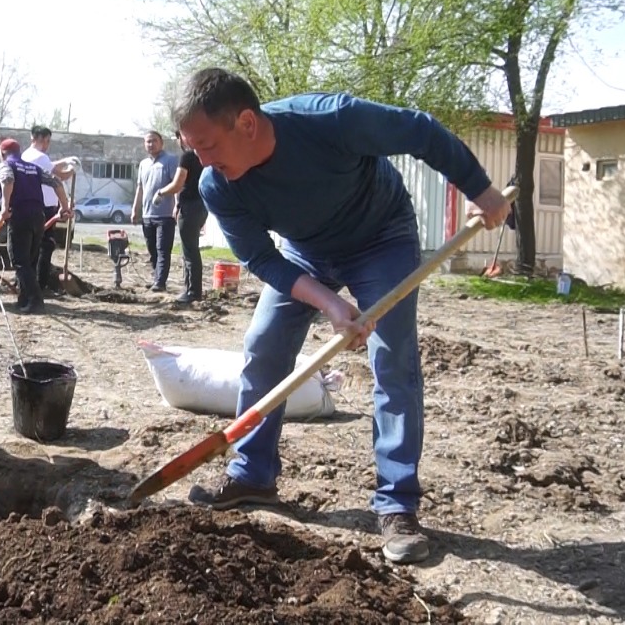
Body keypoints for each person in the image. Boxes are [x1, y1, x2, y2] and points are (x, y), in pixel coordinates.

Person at [174, 68, 510, 565]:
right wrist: (330, 304)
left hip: (382, 238)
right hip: (305, 254)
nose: (201, 161)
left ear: (246, 123)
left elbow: (420, 130)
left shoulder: (330, 120)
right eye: (192, 149)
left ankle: (397, 504)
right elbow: (263, 260)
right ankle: (252, 473)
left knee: (392, 359)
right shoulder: (218, 186)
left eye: (206, 146)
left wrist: (482, 191)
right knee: (264, 346)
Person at [0, 138, 72, 314]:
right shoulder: (33, 168)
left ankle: (35, 301)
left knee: (20, 261)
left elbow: (7, 180)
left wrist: (5, 207)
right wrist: (64, 208)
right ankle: (24, 300)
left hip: (19, 216)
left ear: (2, 153)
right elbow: (57, 182)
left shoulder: (6, 165)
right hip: (38, 217)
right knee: (30, 261)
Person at [22, 125, 78, 292]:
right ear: (44, 140)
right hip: (46, 208)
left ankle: (28, 284)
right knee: (45, 246)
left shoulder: (26, 155)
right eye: (47, 141)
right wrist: (73, 169)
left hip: (30, 206)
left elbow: (49, 165)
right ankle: (40, 286)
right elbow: (60, 177)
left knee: (32, 247)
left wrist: (65, 160)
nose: (48, 145)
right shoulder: (41, 157)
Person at [154, 131, 207, 303]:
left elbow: (177, 185)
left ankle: (193, 292)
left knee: (189, 250)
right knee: (192, 248)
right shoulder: (206, 155)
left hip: (190, 207)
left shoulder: (188, 157)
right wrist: (177, 205)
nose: (178, 141)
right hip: (202, 205)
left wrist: (160, 193)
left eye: (179, 136)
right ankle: (193, 290)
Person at [131, 130, 179, 292]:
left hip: (165, 215)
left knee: (162, 249)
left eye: (154, 141)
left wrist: (176, 206)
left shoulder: (171, 161)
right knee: (152, 250)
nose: (150, 144)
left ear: (161, 143)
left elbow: (177, 185)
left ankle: (160, 282)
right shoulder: (144, 164)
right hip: (147, 215)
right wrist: (135, 210)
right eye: (148, 142)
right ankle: (156, 278)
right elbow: (140, 188)